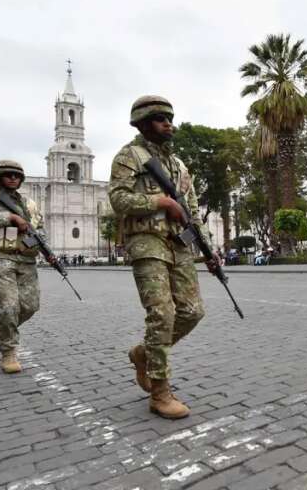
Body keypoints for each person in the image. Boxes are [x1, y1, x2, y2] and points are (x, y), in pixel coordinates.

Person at [109, 95, 219, 419]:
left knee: (192, 311)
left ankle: (144, 353)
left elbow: (194, 212)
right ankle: (160, 392)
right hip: (147, 241)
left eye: (169, 117)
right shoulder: (129, 156)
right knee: (162, 313)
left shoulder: (179, 165)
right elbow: (118, 199)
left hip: (179, 244)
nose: (168, 123)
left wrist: (210, 252)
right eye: (160, 118)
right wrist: (160, 202)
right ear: (143, 123)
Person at [0, 160, 54, 374]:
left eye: (17, 175)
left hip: (27, 259)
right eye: (8, 174)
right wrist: (9, 217)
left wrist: (47, 250)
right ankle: (8, 351)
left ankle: (2, 329)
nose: (12, 178)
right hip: (2, 257)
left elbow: (40, 229)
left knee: (30, 306)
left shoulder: (29, 204)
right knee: (9, 306)